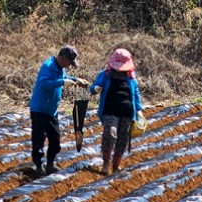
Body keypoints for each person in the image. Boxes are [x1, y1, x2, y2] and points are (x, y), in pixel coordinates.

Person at [28, 44, 84, 174]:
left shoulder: (60, 68)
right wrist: (62, 82)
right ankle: (38, 166)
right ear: (63, 58)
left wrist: (75, 80)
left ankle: (50, 164)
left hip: (51, 110)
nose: (69, 65)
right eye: (69, 62)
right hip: (40, 109)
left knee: (55, 140)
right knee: (39, 139)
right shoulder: (48, 66)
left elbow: (62, 79)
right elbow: (44, 83)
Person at [91, 46, 143, 176]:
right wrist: (96, 88)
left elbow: (135, 93)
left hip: (127, 112)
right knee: (110, 133)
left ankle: (116, 165)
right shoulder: (106, 74)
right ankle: (105, 163)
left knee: (122, 138)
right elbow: (93, 88)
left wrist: (139, 111)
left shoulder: (131, 76)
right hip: (110, 110)